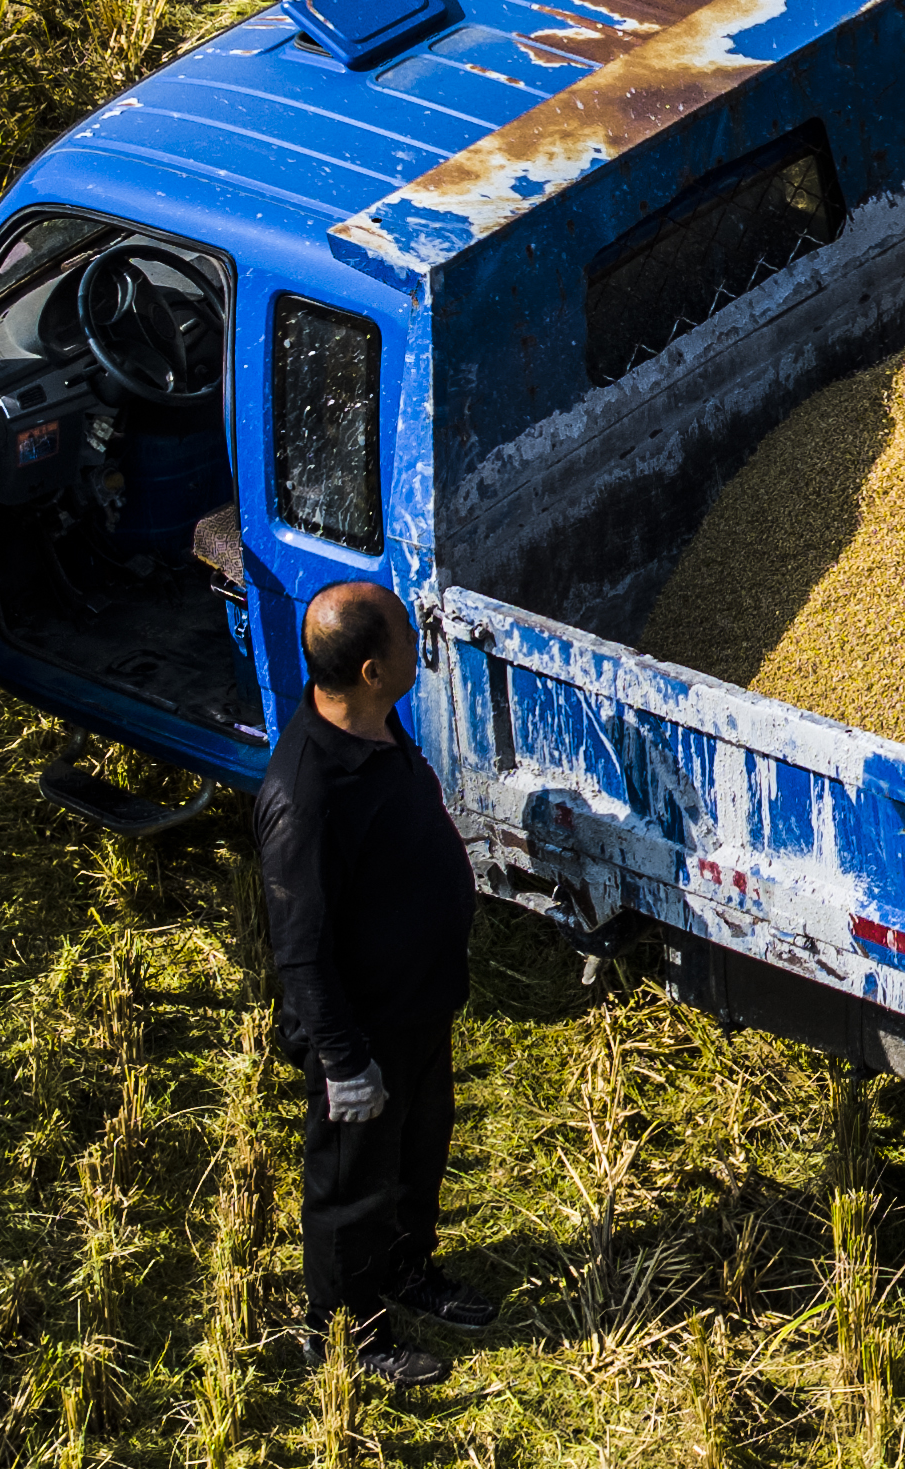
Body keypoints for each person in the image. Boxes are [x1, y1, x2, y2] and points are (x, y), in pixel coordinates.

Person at [259, 580, 494, 1388]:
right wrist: (344, 1063)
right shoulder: (305, 796)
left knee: (418, 1154)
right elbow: (299, 950)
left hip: (420, 1004)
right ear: (370, 668)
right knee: (350, 1184)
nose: (415, 640)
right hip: (362, 1034)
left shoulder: (377, 723)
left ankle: (407, 1268)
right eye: (403, 633)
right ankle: (347, 1333)